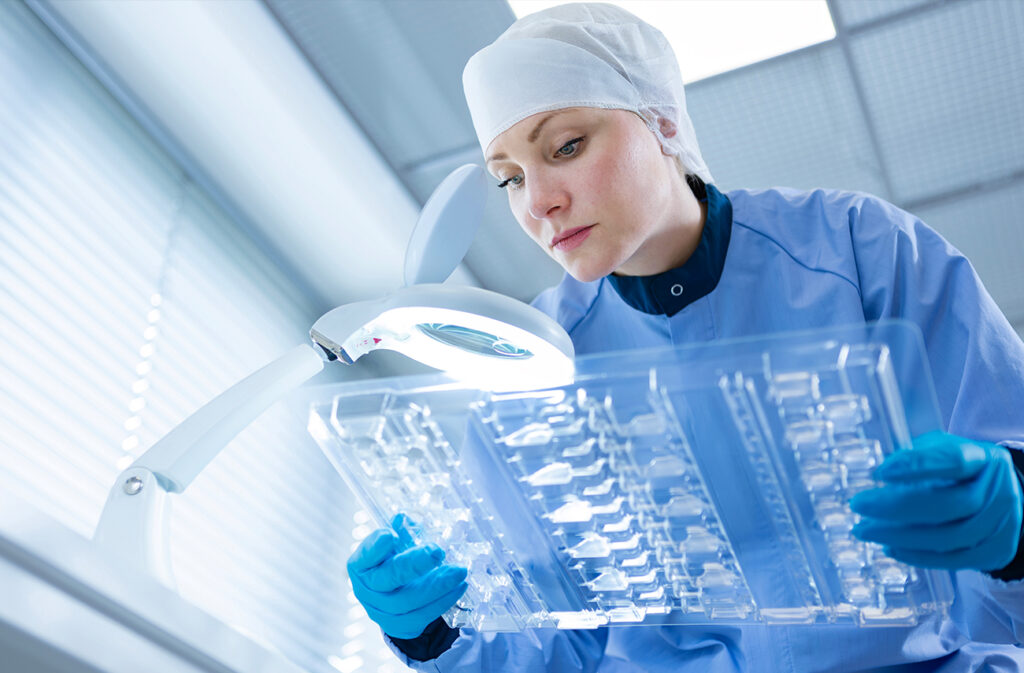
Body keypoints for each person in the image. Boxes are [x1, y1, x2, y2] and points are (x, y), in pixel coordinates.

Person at [347, 4, 1024, 671]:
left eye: (567, 146)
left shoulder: (858, 251)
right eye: (510, 178)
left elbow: (1005, 442)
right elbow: (542, 640)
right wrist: (434, 631)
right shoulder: (535, 369)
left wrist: (1015, 526)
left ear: (663, 120)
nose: (537, 201)